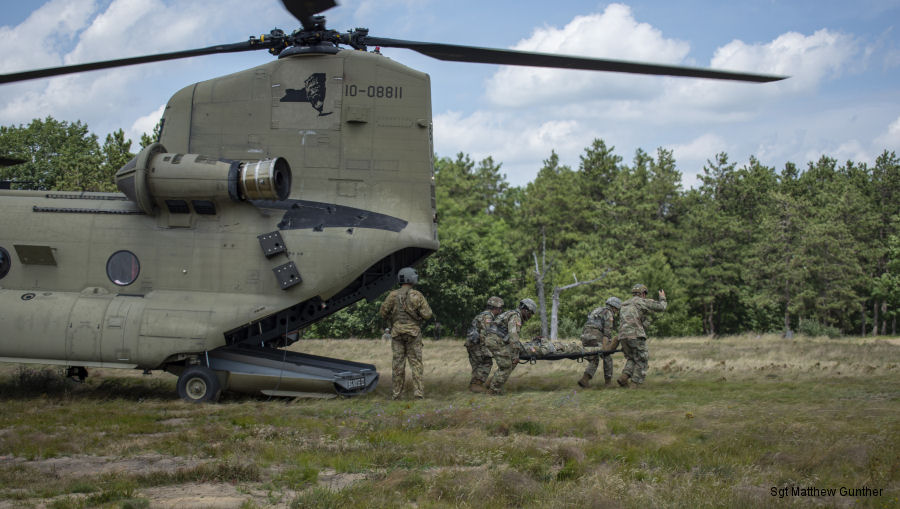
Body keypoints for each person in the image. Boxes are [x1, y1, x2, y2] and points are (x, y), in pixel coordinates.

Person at [379, 267, 433, 399]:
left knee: (398, 365)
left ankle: (397, 394)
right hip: (413, 334)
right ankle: (418, 394)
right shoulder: (417, 295)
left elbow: (383, 313)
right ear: (412, 279)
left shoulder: (392, 295)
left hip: (397, 334)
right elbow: (427, 314)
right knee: (416, 364)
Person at [617, 284, 666, 388]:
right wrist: (662, 297)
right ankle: (634, 384)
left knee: (632, 358)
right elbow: (662, 307)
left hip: (622, 336)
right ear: (643, 293)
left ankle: (623, 378)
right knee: (642, 359)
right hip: (635, 335)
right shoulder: (642, 301)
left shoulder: (624, 304)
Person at [483, 298, 536, 395]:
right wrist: (515, 356)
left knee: (510, 363)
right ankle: (493, 391)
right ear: (525, 310)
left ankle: (489, 384)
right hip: (495, 341)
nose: (530, 316)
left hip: (496, 340)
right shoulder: (516, 317)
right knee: (506, 366)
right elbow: (513, 336)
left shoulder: (513, 314)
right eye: (531, 313)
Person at [577, 296, 622, 388]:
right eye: (617, 309)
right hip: (595, 337)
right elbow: (607, 333)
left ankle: (584, 380)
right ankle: (608, 383)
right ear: (614, 307)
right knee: (607, 357)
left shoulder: (596, 310)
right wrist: (606, 348)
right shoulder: (608, 313)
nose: (617, 312)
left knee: (594, 358)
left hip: (584, 336)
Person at [465, 296, 504, 393]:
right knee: (486, 362)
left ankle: (475, 385)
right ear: (495, 308)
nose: (501, 310)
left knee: (477, 366)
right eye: (500, 308)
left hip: (472, 344)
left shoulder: (482, 315)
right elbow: (485, 334)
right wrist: (486, 350)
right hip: (477, 345)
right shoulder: (487, 317)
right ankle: (476, 385)